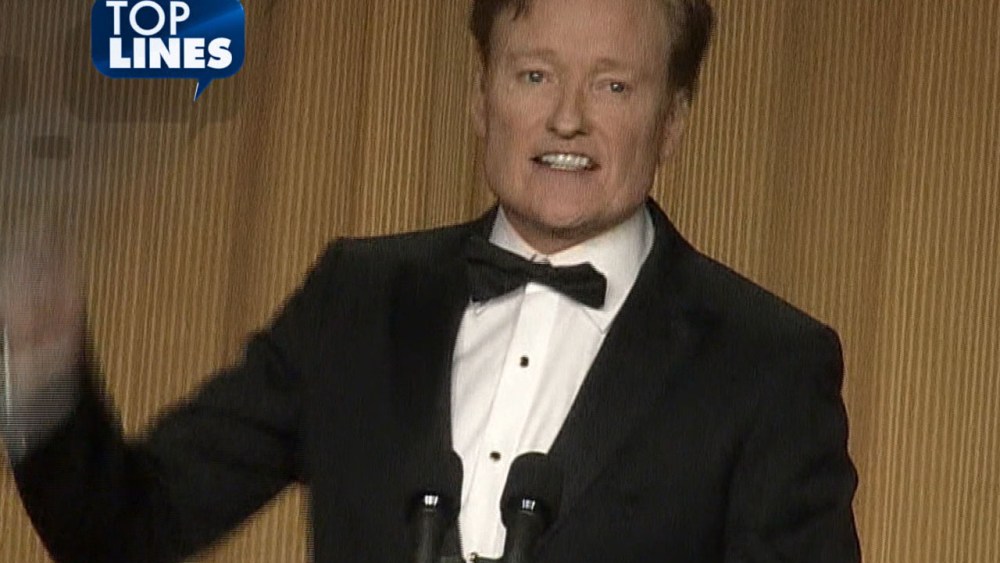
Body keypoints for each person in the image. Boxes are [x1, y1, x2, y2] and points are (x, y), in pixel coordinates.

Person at [1, 0, 862, 561]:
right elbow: (134, 529)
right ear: (481, 99)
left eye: (612, 85)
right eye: (533, 75)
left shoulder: (766, 363)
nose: (567, 117)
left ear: (671, 120)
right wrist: (40, 372)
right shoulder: (357, 300)